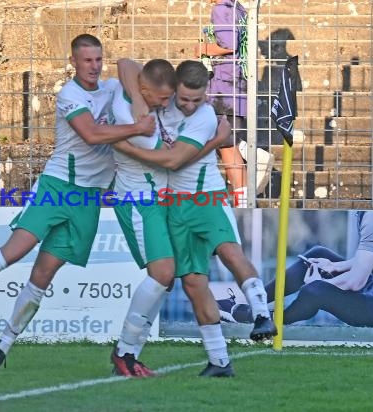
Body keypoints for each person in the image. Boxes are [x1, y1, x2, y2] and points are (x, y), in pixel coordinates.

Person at [0, 33, 156, 374]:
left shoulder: (110, 88)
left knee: (44, 274)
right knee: (16, 249)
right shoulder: (70, 94)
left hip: (88, 197)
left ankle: (2, 345)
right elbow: (91, 134)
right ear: (73, 62)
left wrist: (135, 95)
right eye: (87, 60)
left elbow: (129, 65)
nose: (94, 66)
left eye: (98, 59)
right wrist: (136, 126)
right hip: (58, 185)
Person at [115, 60, 277, 353]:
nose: (189, 105)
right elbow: (126, 64)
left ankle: (262, 314)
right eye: (184, 99)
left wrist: (216, 139)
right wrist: (139, 99)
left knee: (230, 251)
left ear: (206, 94)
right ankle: (219, 360)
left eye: (197, 99)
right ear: (175, 88)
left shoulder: (205, 116)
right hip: (174, 206)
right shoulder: (162, 101)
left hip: (207, 197)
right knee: (192, 283)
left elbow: (176, 161)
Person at [109, 59, 232, 377]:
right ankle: (125, 352)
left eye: (171, 98)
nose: (169, 105)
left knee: (191, 279)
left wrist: (140, 96)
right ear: (148, 89)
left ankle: (219, 361)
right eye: (164, 99)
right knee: (163, 274)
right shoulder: (137, 120)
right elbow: (173, 161)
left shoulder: (155, 104)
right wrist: (217, 141)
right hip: (139, 200)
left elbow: (128, 64)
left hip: (169, 202)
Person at [224, 211, 373, 327]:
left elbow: (355, 281)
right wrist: (334, 266)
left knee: (313, 290)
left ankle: (270, 320)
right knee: (317, 255)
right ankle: (253, 303)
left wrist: (318, 283)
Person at [194, 0, 274, 206]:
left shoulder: (221, 9)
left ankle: (252, 154)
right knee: (227, 145)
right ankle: (242, 199)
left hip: (224, 87)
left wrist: (204, 48)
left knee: (227, 146)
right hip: (236, 85)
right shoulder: (237, 9)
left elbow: (229, 45)